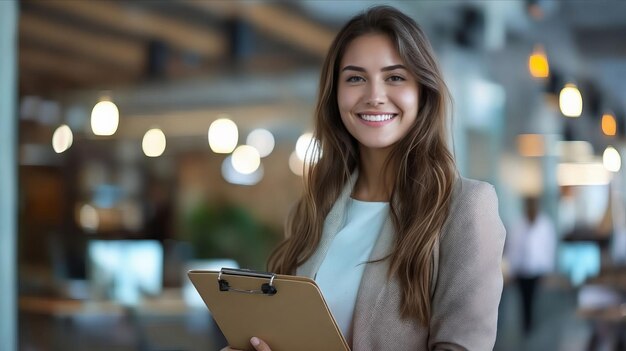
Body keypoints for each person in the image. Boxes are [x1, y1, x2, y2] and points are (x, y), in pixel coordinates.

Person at [224, 5, 505, 351]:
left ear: (422, 91)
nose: (374, 96)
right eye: (355, 78)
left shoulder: (466, 207)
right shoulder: (313, 209)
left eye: (395, 77)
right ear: (335, 94)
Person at [505, 196, 557, 335]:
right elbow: (512, 248)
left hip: (538, 269)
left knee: (536, 299)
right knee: (524, 300)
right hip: (522, 270)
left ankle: (534, 324)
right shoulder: (517, 225)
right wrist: (512, 270)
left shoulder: (545, 224)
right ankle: (526, 325)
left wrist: (548, 269)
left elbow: (549, 248)